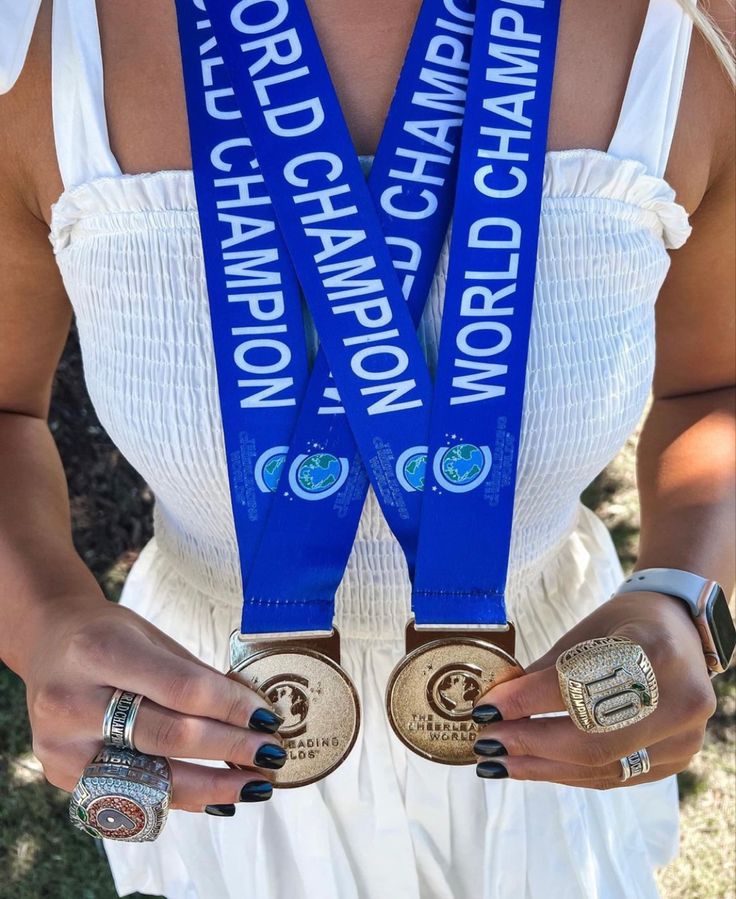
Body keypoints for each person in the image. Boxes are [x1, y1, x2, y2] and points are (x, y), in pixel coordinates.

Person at [0, 0, 734, 897]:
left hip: (556, 713)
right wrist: (40, 620)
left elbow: (716, 388)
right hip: (205, 728)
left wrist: (683, 593)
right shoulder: (46, 52)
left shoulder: (670, 48)